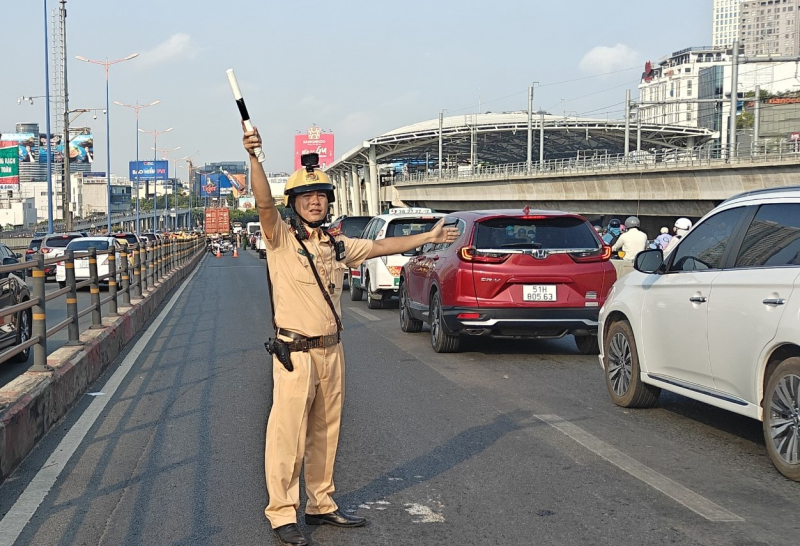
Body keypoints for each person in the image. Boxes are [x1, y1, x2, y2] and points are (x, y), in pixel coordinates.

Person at [243, 125, 458, 546]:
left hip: (331, 352)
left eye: (321, 195)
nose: (315, 200)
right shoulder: (280, 240)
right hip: (295, 353)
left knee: (326, 432)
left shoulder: (336, 245)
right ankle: (282, 512)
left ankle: (320, 503)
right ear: (294, 205)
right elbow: (264, 203)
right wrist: (254, 157)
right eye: (306, 196)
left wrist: (429, 237)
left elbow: (380, 249)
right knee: (288, 435)